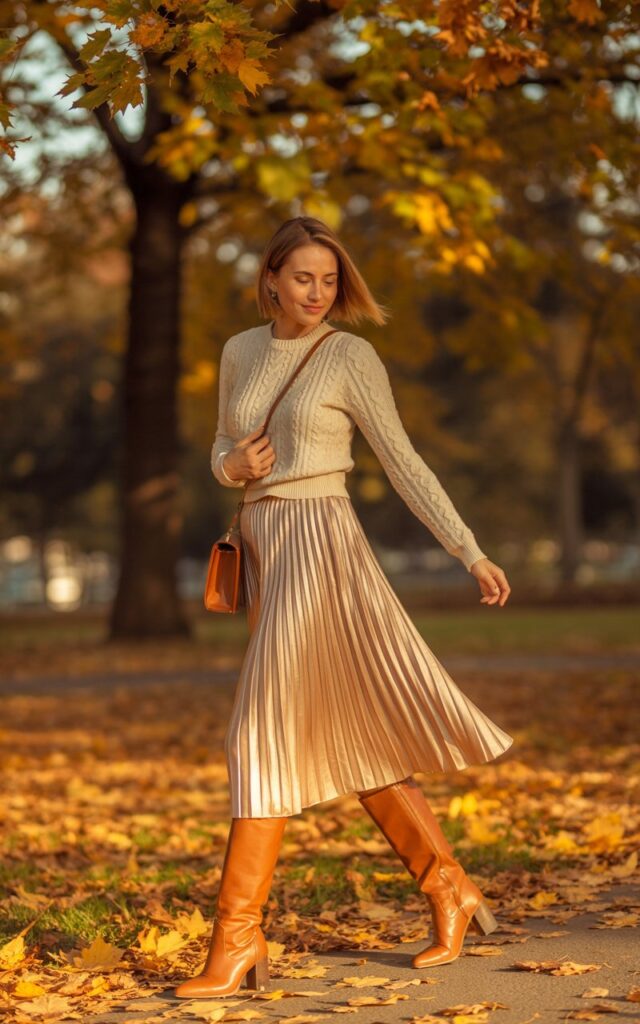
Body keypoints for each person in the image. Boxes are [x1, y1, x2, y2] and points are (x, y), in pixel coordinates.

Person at [174, 216, 514, 1000]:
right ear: (271, 279)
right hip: (268, 546)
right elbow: (222, 446)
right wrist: (233, 465)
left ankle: (236, 937)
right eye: (303, 278)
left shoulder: (350, 356)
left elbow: (403, 459)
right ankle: (447, 885)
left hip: (323, 547)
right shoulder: (240, 350)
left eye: (330, 280)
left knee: (259, 732)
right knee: (347, 731)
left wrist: (469, 549)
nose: (318, 293)